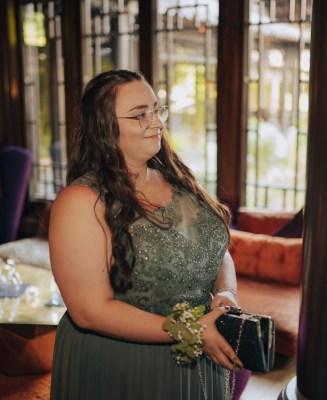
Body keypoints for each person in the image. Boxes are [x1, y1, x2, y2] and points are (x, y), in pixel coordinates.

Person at [49, 69, 242, 400]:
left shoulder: (177, 178)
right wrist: (190, 330)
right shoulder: (81, 201)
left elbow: (215, 249)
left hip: (199, 349)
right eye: (140, 115)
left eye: (156, 110)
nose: (156, 123)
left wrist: (226, 293)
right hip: (124, 363)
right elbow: (89, 310)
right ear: (104, 128)